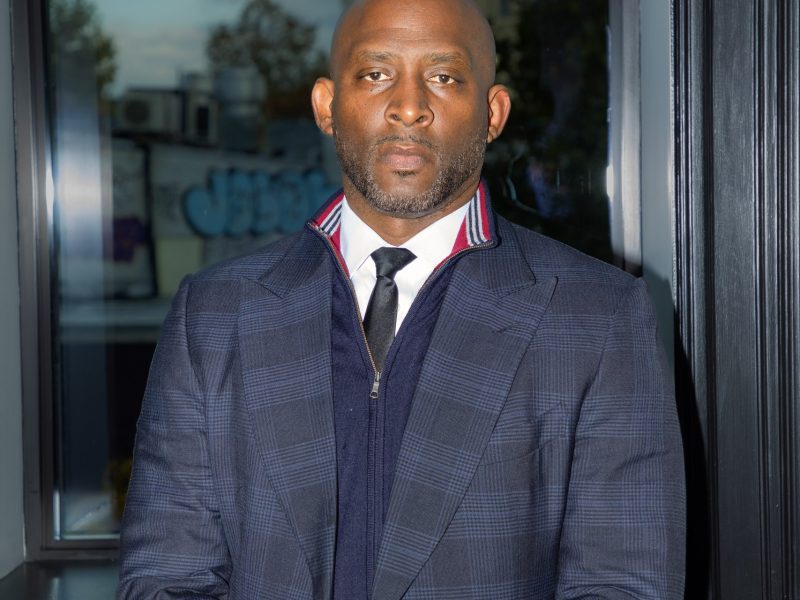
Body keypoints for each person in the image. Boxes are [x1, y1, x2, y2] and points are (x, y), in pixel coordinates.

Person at [118, 0, 686, 598]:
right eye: (375, 74)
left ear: (493, 113)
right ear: (326, 106)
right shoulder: (214, 315)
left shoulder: (596, 317)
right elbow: (166, 576)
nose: (409, 106)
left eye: (443, 77)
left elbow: (625, 583)